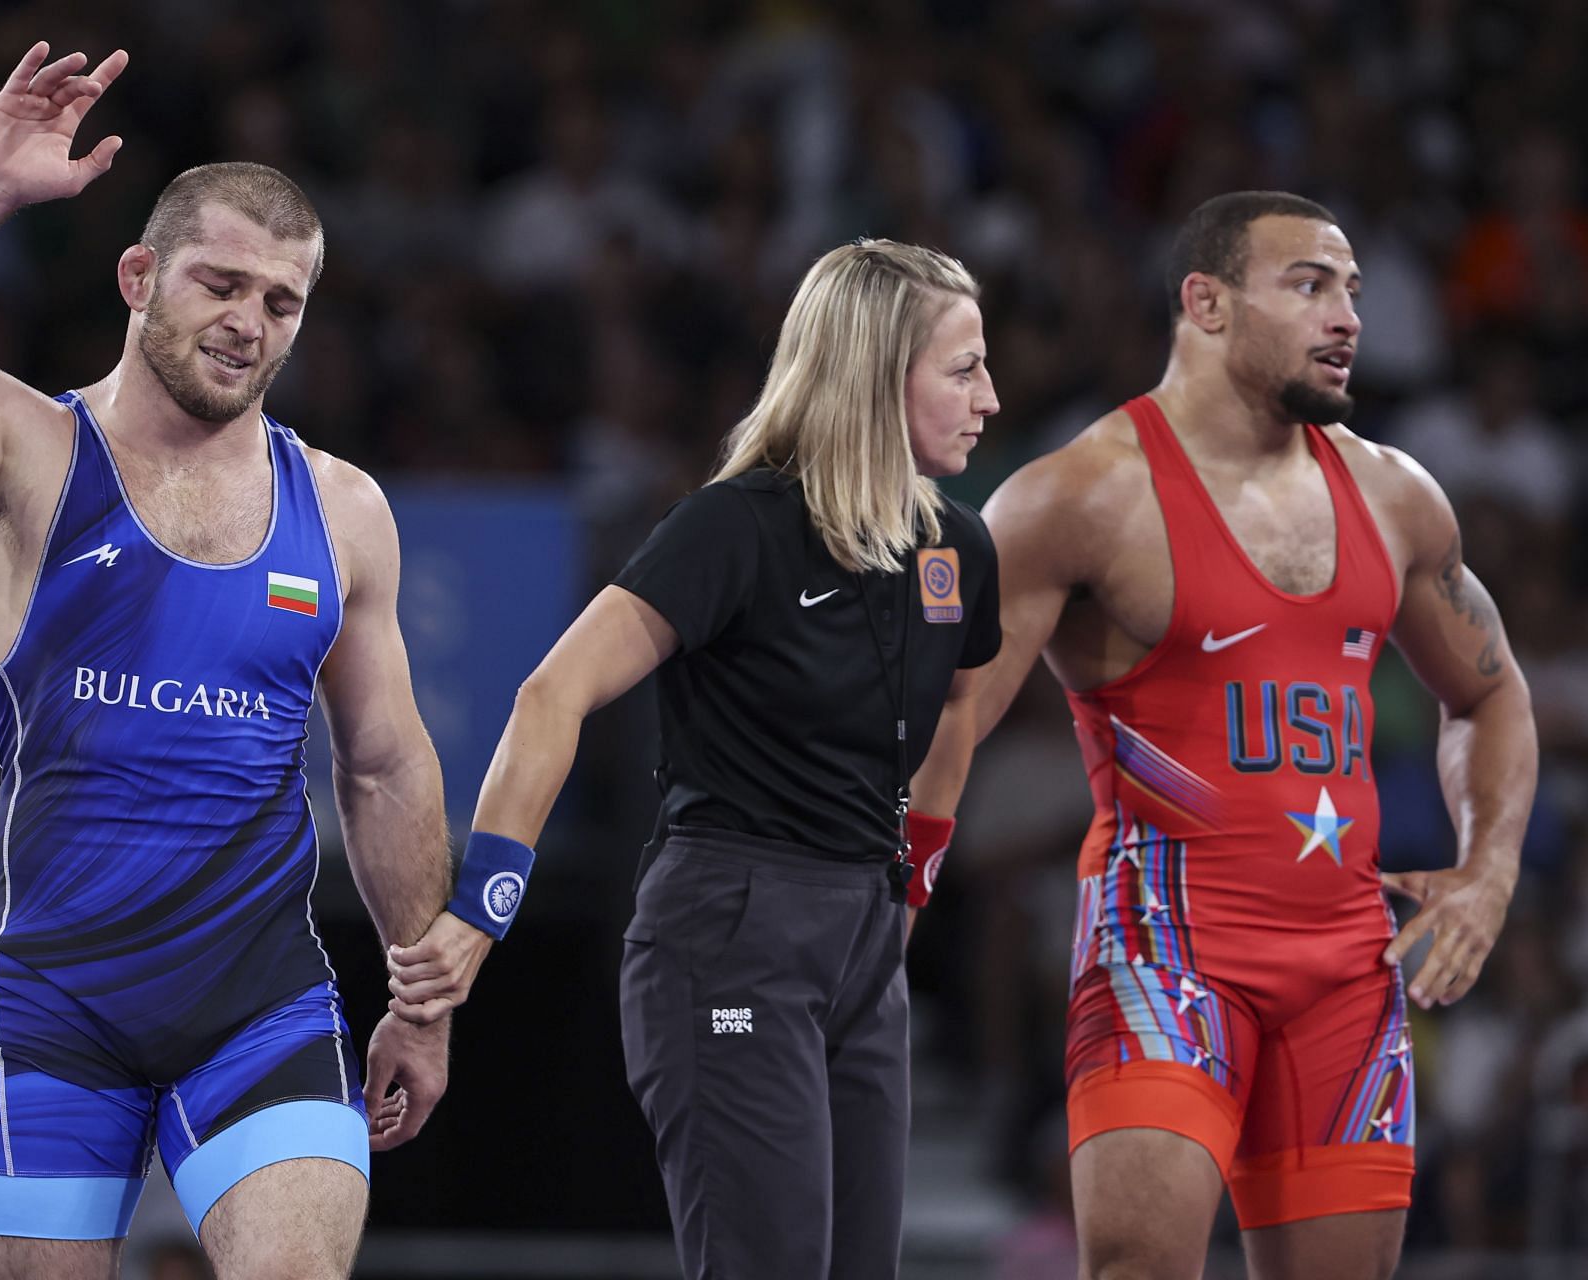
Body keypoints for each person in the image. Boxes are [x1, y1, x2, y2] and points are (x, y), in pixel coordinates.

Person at [0, 41, 453, 1278]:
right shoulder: (24, 453)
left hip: (258, 1002)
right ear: (139, 275)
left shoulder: (343, 508)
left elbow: (383, 763)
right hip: (55, 1008)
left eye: (281, 302)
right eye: (221, 284)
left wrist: (423, 1002)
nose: (248, 323)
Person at [388, 239, 1003, 1277]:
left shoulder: (959, 546)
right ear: (871, 374)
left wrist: (911, 893)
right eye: (962, 367)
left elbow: (961, 703)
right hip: (731, 928)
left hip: (863, 936)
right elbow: (553, 694)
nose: (990, 394)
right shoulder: (735, 527)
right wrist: (482, 906)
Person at [956, 191, 1538, 1279]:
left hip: (1346, 968)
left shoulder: (1397, 493)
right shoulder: (1080, 494)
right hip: (1166, 945)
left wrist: (1489, 869)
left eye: (1354, 290)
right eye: (1311, 284)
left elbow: (1492, 696)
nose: (1348, 316)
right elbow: (950, 720)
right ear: (1206, 303)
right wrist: (872, 896)